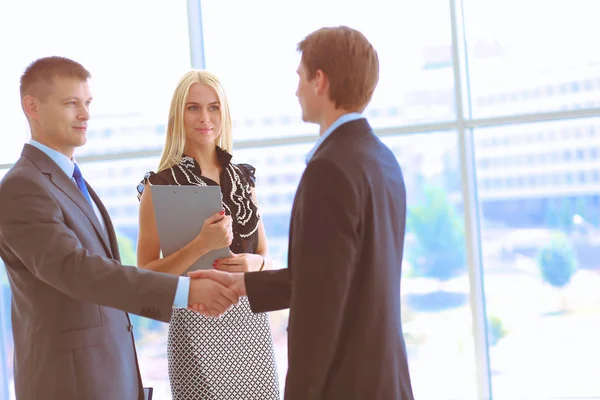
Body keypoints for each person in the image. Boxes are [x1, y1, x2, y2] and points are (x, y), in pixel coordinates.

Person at [191, 26, 415, 399]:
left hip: (343, 384)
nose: (296, 90)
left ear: (320, 81)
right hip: (385, 378)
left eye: (300, 77)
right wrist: (244, 285)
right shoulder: (383, 159)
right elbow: (330, 276)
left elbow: (321, 303)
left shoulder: (330, 168)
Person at [0, 56, 239, 400]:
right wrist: (185, 292)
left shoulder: (69, 180)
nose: (84, 114)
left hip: (109, 374)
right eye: (71, 104)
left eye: (87, 103)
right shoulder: (22, 187)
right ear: (31, 107)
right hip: (68, 382)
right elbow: (78, 272)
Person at [136, 69, 280, 399]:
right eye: (193, 108)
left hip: (251, 327)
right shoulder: (158, 187)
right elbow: (144, 275)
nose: (205, 117)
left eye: (214, 107)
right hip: (193, 326)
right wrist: (202, 244)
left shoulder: (244, 179)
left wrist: (253, 265)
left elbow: (266, 259)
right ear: (178, 115)